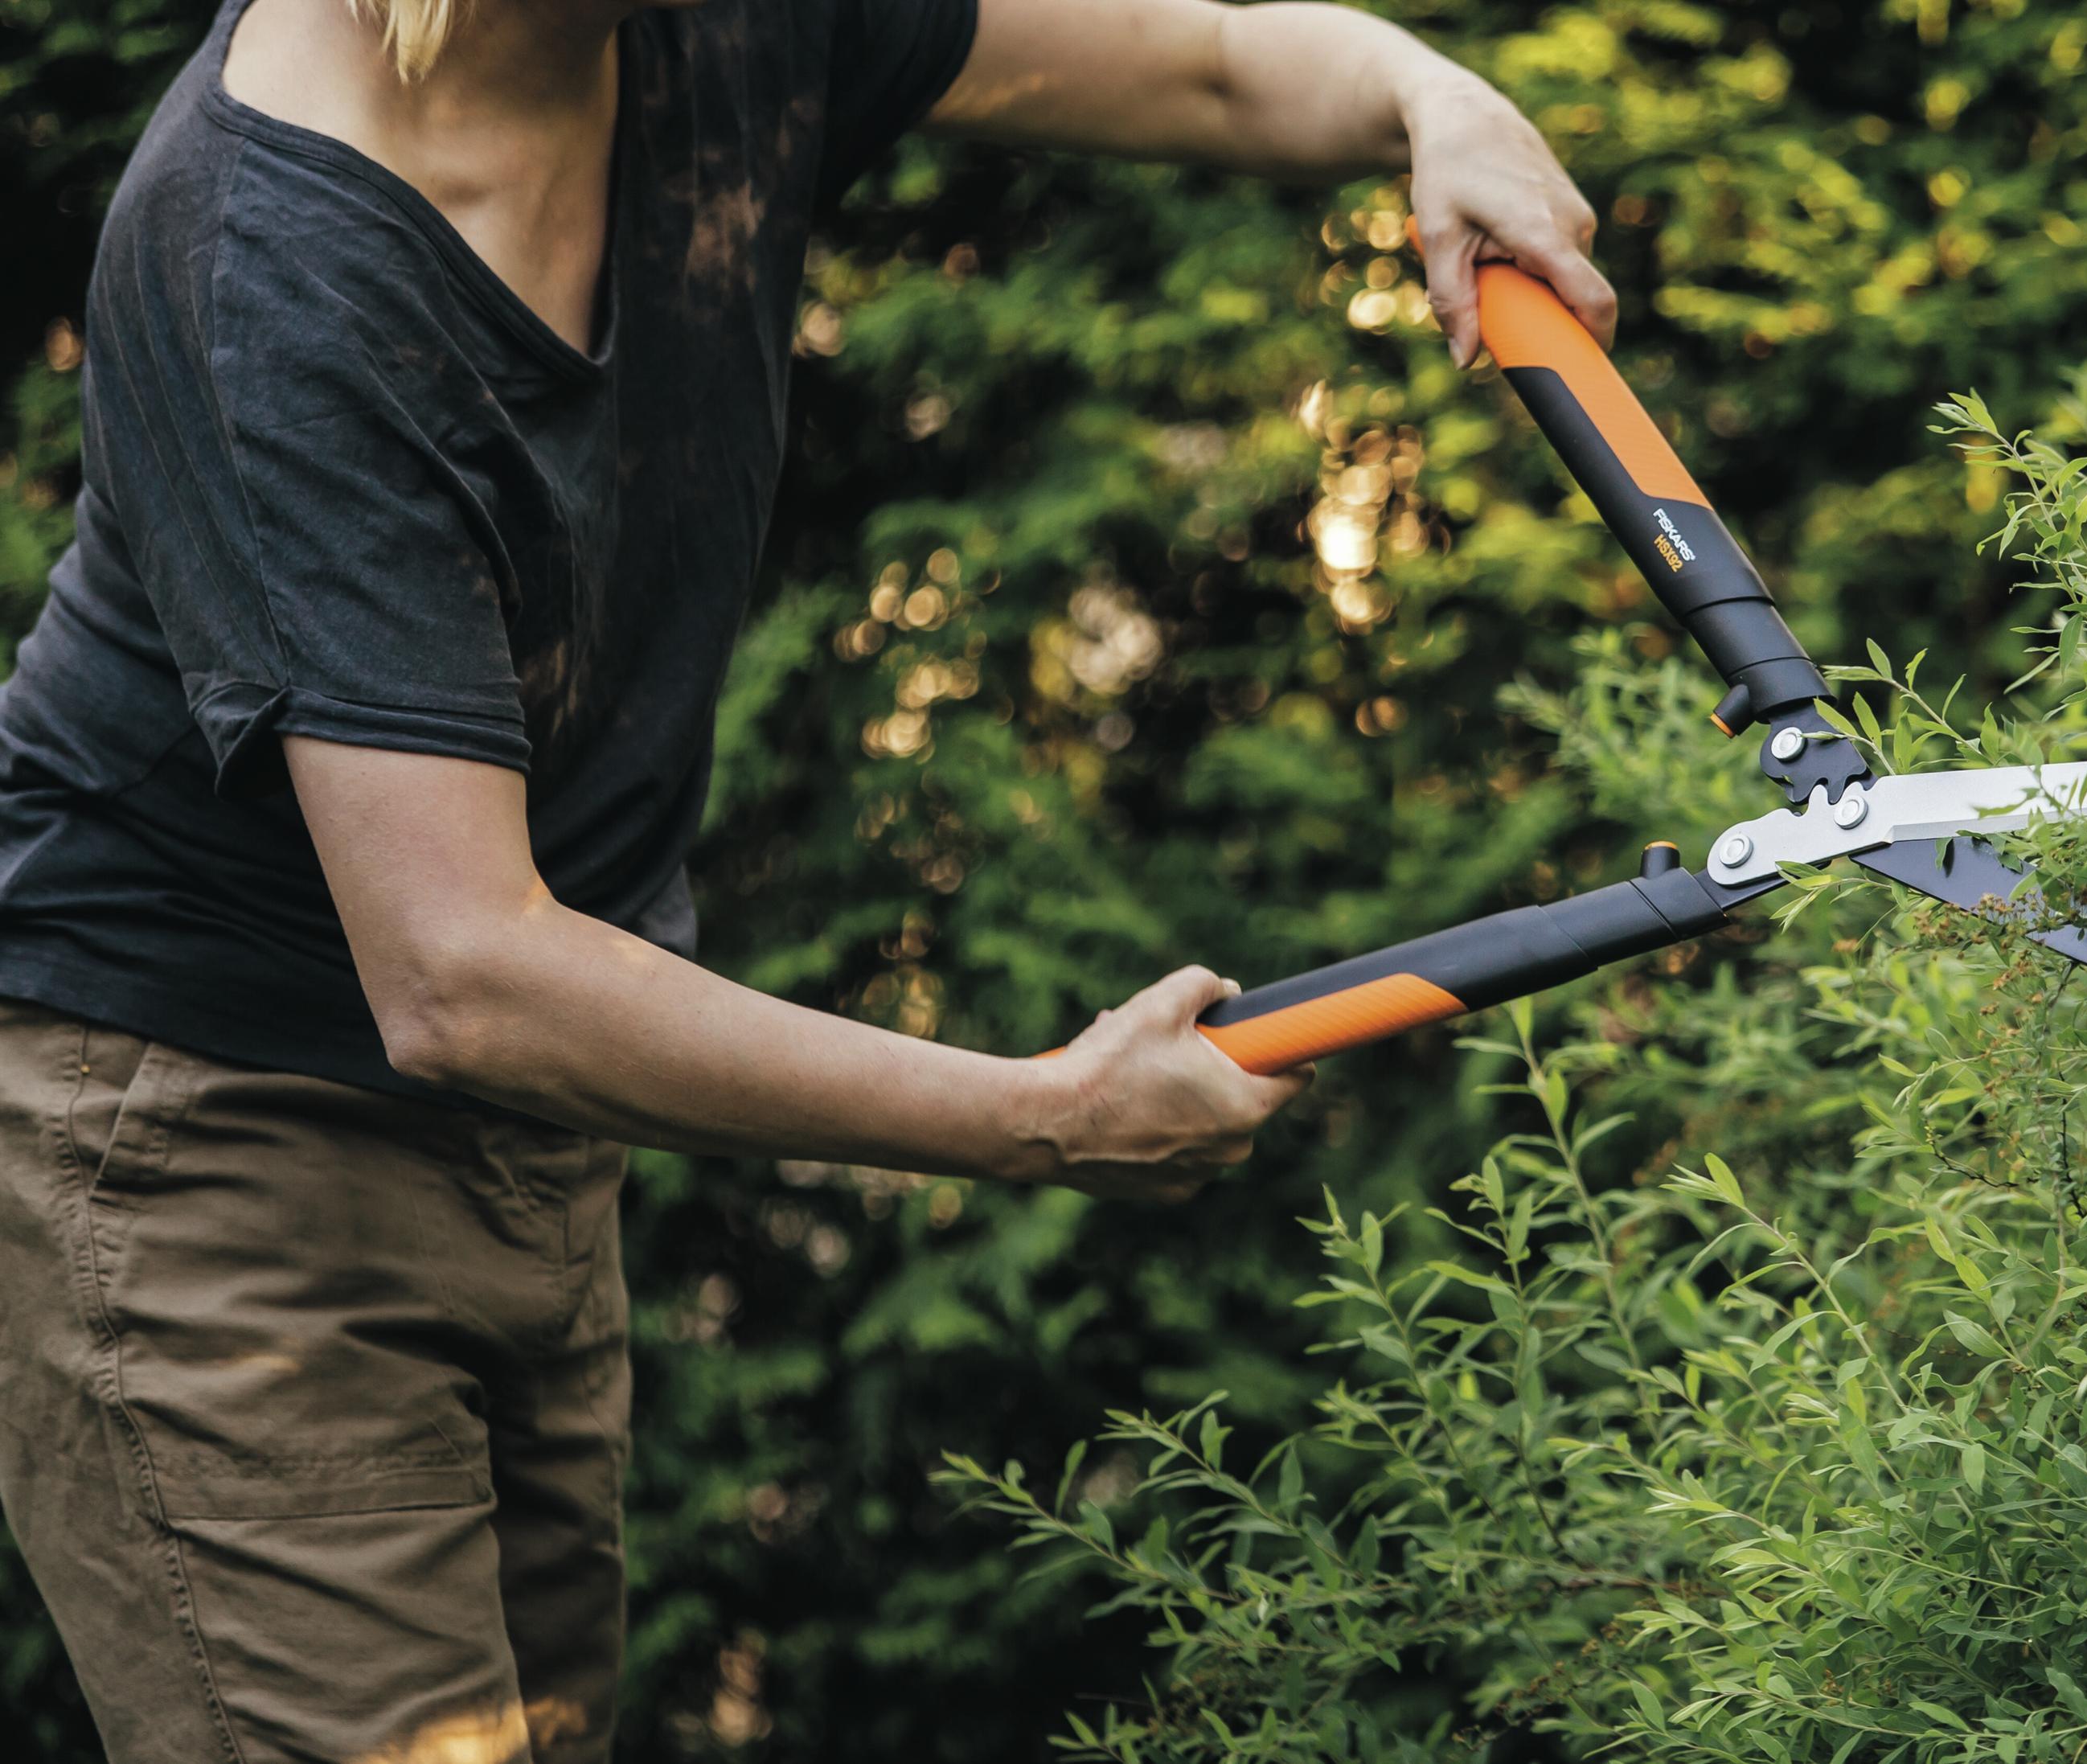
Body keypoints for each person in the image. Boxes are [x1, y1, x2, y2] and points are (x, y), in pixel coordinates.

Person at [0, 0, 1613, 1754]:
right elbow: (461, 968)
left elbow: (1215, 59)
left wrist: (1427, 97)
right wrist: (1037, 1113)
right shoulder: (268, 257)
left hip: (529, 1122)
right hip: (202, 1141)